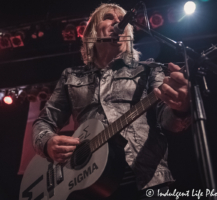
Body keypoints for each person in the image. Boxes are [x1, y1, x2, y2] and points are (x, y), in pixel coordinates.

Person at [32, 3, 191, 200]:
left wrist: (180, 108)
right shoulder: (71, 77)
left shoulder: (148, 70)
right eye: (109, 17)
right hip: (89, 187)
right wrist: (47, 142)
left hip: (146, 181)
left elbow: (167, 120)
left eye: (123, 20)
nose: (118, 22)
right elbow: (43, 122)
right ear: (91, 32)